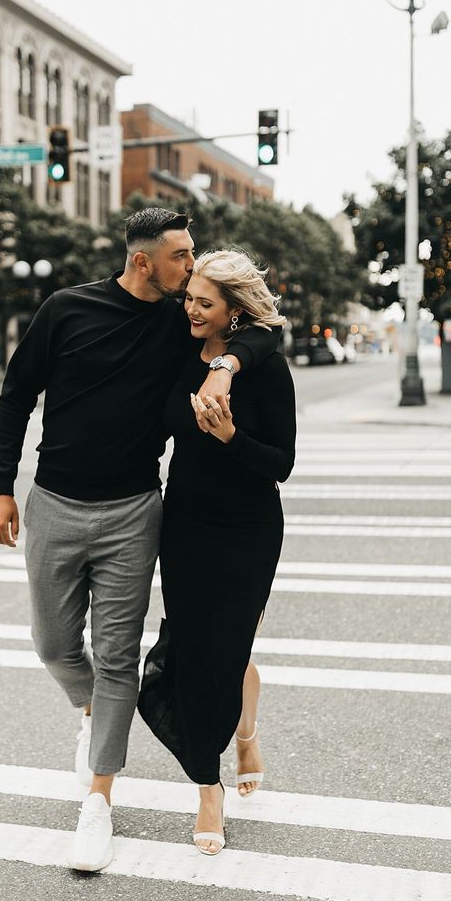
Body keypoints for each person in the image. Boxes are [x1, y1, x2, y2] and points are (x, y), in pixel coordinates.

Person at [0, 209, 280, 873]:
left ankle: (99, 799)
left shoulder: (182, 322)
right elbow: (15, 393)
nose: (191, 266)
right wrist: (1, 484)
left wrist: (228, 363)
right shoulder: (67, 309)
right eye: (182, 256)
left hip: (134, 511)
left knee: (118, 656)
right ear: (144, 261)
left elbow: (259, 332)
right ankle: (92, 710)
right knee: (54, 645)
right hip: (54, 503)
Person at [138, 250, 296, 856]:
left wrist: (230, 436)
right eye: (190, 299)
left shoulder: (265, 369)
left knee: (228, 651)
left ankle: (233, 753)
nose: (192, 309)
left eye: (206, 302)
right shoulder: (181, 349)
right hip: (186, 525)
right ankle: (213, 777)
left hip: (249, 529)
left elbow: (280, 464)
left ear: (234, 310)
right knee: (195, 649)